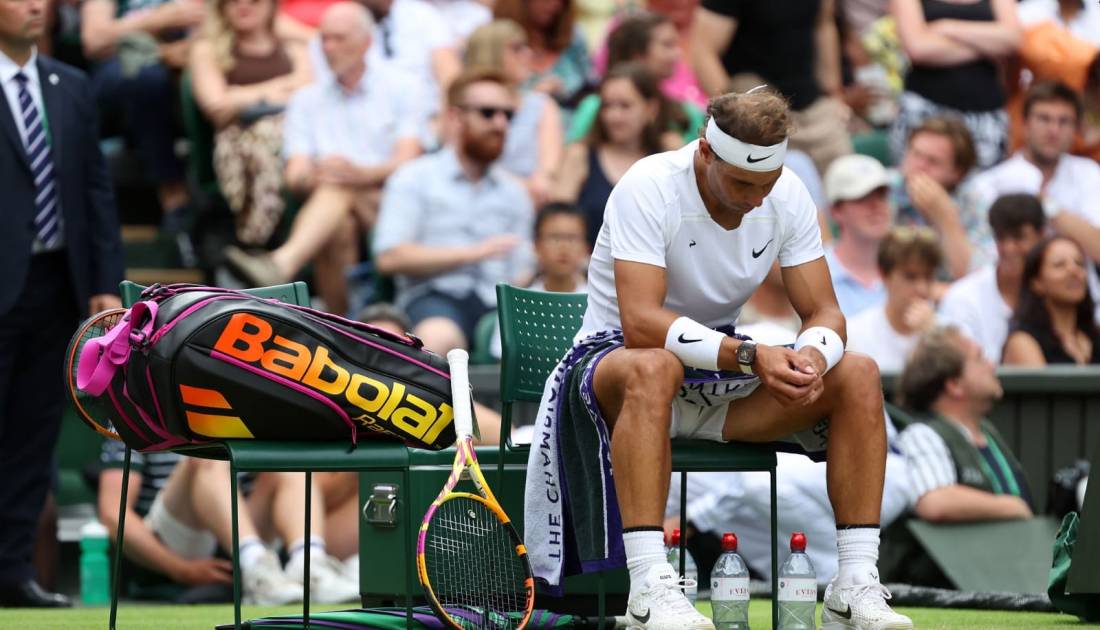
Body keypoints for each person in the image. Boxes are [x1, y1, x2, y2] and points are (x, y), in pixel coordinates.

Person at [527, 86, 912, 629]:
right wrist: (752, 356)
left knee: (859, 373)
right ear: (705, 152)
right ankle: (648, 590)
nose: (756, 198)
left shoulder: (788, 194)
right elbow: (639, 323)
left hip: (719, 376)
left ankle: (853, 585)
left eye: (767, 183)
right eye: (741, 182)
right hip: (617, 366)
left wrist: (811, 358)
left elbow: (826, 313)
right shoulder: (648, 185)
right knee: (655, 365)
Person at [0, 0, 124, 607]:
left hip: (57, 285)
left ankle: (13, 572)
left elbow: (95, 187)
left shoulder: (69, 84)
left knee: (33, 435)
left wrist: (104, 277)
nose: (36, 5)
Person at [225, 2, 422, 316]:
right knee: (338, 216)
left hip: (390, 204)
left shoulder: (402, 88)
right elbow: (295, 175)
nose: (330, 48)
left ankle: (282, 265)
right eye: (324, 39)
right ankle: (344, 319)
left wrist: (361, 174)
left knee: (340, 188)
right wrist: (317, 174)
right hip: (332, 209)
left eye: (339, 38)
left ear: (366, 41)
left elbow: (409, 162)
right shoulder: (307, 99)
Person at [372, 68, 535, 356]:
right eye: (488, 113)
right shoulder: (414, 178)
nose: (500, 124)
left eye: (507, 115)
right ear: (455, 117)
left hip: (500, 305)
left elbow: (523, 269)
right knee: (438, 338)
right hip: (433, 298)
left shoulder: (515, 192)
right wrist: (473, 253)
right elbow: (389, 256)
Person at [98, 443, 359, 605]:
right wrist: (179, 570)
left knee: (290, 456)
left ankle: (308, 563)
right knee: (206, 452)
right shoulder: (136, 396)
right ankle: (257, 567)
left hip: (246, 526)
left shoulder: (248, 386)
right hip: (178, 539)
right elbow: (112, 512)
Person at [892, 326, 1032, 584]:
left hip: (1002, 576)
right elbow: (934, 502)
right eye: (980, 358)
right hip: (942, 587)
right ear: (954, 384)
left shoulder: (988, 432)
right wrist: (1012, 507)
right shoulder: (922, 434)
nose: (991, 364)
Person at [970, 80, 1100, 322]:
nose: (1053, 130)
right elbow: (982, 259)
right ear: (1025, 124)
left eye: (1064, 121)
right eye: (1044, 119)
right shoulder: (989, 183)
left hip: (1083, 308)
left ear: (1076, 129)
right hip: (1008, 307)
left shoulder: (1090, 173)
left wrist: (1044, 205)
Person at [189, 0, 313, 248]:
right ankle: (257, 242)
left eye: (254, 0)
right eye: (233, 1)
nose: (243, 6)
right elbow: (218, 107)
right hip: (239, 139)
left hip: (296, 136)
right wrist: (283, 87)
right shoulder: (207, 49)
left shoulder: (291, 46)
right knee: (264, 145)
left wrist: (240, 95)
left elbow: (311, 91)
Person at [689, 0, 852, 174]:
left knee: (849, 184)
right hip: (758, 112)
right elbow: (703, 52)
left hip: (814, 107)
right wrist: (735, 118)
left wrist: (834, 95)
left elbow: (824, 24)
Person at [80, 0, 201, 231]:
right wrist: (158, 20)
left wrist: (189, 50)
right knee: (147, 78)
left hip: (189, 60)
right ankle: (173, 195)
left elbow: (220, 25)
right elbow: (94, 40)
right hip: (122, 71)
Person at [553, 62, 683, 246]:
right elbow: (557, 223)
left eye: (625, 106)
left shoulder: (669, 153)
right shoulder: (580, 155)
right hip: (589, 269)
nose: (614, 116)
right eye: (607, 106)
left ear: (651, 109)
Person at [890, 0, 1021, 169]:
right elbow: (918, 48)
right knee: (919, 184)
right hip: (924, 110)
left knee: (981, 189)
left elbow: (1012, 39)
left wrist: (947, 27)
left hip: (985, 114)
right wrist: (987, 48)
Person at [464, 18, 563, 205]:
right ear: (490, 53)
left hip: (530, 205)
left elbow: (546, 176)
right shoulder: (464, 105)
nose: (528, 53)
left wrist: (540, 182)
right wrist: (520, 186)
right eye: (517, 48)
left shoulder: (542, 105)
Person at [938, 194, 1046, 363]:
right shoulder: (962, 298)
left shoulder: (1058, 289)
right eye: (1001, 238)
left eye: (1018, 237)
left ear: (1041, 236)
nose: (1009, 248)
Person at [571, 11, 702, 146]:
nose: (677, 53)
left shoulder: (688, 113)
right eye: (667, 45)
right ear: (637, 55)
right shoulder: (593, 107)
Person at [489, 203, 589, 360]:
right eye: (554, 237)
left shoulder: (598, 303)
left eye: (572, 238)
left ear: (586, 247)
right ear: (536, 246)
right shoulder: (516, 301)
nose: (564, 247)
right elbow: (503, 361)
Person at [891, 115, 987, 279]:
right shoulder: (881, 189)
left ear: (958, 173)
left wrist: (946, 218)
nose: (919, 166)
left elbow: (973, 279)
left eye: (933, 161)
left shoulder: (972, 204)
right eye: (916, 154)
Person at [846, 226, 943, 371]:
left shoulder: (949, 333)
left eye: (928, 277)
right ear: (885, 275)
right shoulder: (854, 334)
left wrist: (934, 337)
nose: (922, 289)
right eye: (910, 277)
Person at [1003, 236, 1100, 365]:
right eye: (1059, 265)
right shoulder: (1023, 342)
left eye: (1079, 263)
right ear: (1036, 282)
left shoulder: (1095, 335)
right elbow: (1040, 385)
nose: (1074, 270)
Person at [823, 154, 891, 318]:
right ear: (835, 211)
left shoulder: (909, 268)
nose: (876, 206)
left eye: (881, 195)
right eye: (862, 198)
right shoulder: (815, 271)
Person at [493, 0, 592, 111]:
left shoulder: (573, 37)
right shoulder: (498, 37)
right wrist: (536, 96)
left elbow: (591, 86)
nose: (554, 4)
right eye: (518, 48)